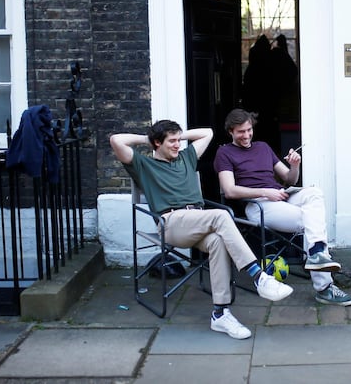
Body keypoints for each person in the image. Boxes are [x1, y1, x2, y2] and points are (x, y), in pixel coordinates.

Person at [110, 120, 293, 340]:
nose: (178, 145)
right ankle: (258, 277)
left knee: (217, 241)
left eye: (179, 140)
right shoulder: (143, 164)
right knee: (221, 215)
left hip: (198, 221)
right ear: (156, 143)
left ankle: (220, 314)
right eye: (172, 141)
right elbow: (116, 140)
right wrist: (147, 138)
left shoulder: (186, 158)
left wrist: (177, 136)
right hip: (171, 222)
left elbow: (208, 132)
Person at [214, 108, 351, 307]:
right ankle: (324, 287)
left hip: (282, 196)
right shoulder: (225, 153)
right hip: (258, 205)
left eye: (249, 130)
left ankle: (316, 252)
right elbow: (229, 190)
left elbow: (289, 179)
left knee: (314, 193)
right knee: (310, 220)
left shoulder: (263, 147)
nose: (246, 135)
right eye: (241, 132)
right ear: (231, 131)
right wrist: (265, 192)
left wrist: (295, 165)